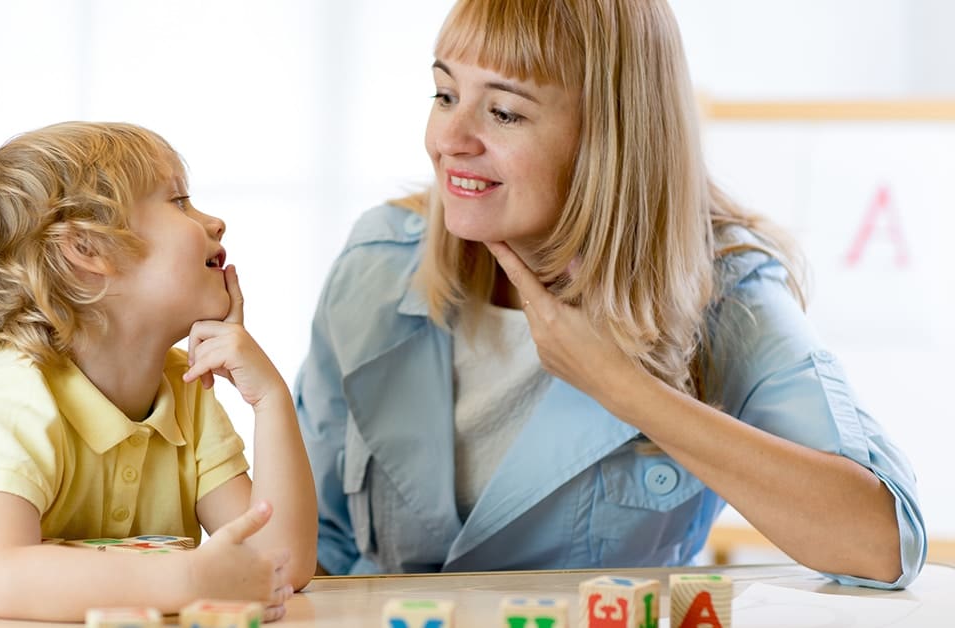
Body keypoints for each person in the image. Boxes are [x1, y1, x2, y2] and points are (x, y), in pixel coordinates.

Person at [295, 0, 925, 589]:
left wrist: (628, 391)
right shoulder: (377, 262)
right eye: (445, 94)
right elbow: (306, 545)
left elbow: (884, 544)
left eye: (504, 112)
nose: (449, 139)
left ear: (608, 137)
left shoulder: (726, 294)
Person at [0, 121, 316, 622]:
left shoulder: (184, 389)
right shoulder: (16, 393)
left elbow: (281, 567)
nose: (215, 222)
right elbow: (3, 579)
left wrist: (270, 400)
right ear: (87, 248)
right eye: (179, 202)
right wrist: (190, 579)